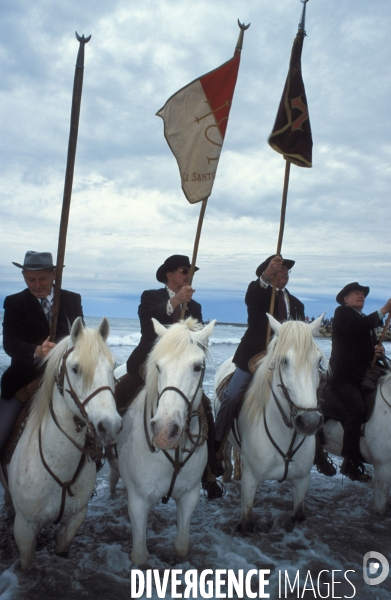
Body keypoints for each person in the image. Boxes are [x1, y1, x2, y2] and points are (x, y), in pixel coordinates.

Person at [214, 254, 336, 477]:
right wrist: (265, 275)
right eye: (279, 271)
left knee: (312, 397)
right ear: (269, 275)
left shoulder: (296, 303)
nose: (284, 274)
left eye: (286, 271)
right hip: (255, 357)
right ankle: (216, 448)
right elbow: (253, 295)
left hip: (288, 362)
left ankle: (319, 452)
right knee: (231, 397)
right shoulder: (259, 295)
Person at [115, 254, 223, 500]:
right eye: (185, 271)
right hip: (148, 364)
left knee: (205, 409)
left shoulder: (194, 307)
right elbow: (147, 323)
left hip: (179, 370)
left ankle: (210, 471)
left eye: (190, 273)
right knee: (118, 397)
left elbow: (197, 340)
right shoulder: (150, 296)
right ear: (169, 275)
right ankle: (105, 449)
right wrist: (175, 301)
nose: (188, 276)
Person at [0, 251, 84, 452]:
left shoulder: (72, 299)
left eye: (43, 279)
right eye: (31, 279)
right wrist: (36, 350)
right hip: (24, 379)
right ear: (24, 277)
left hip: (66, 378)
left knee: (96, 426)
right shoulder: (14, 302)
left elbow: (80, 338)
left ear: (54, 275)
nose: (37, 285)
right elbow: (10, 343)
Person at [329, 282, 391, 482]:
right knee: (356, 410)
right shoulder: (342, 314)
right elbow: (357, 328)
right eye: (356, 293)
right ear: (345, 299)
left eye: (363, 294)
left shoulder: (364, 319)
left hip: (365, 373)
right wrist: (383, 311)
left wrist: (377, 351)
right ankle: (350, 461)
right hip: (345, 375)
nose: (361, 296)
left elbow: (367, 343)